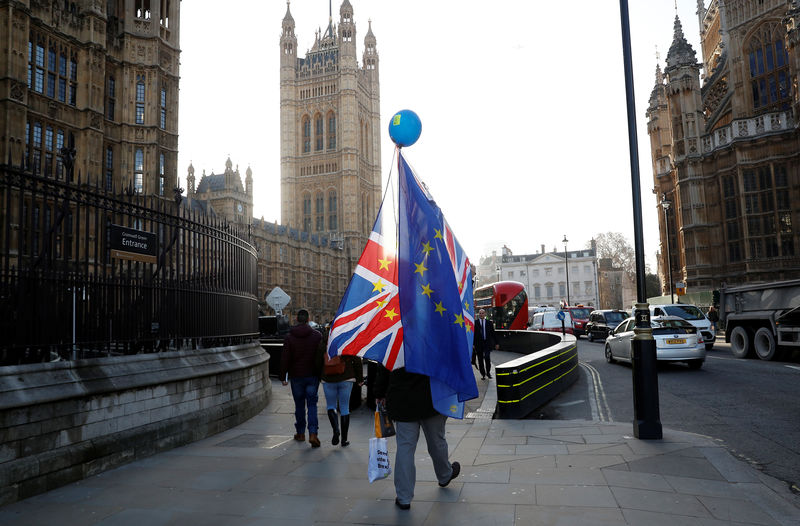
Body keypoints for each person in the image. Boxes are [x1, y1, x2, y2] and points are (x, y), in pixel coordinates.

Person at [374, 366, 460, 510]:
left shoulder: (395, 343)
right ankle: (445, 475)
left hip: (403, 400)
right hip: (432, 398)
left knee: (405, 448)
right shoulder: (433, 342)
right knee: (437, 440)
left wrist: (379, 392)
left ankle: (404, 497)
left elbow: (384, 366)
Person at [280, 309, 323, 448]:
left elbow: (285, 358)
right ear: (308, 319)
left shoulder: (289, 337)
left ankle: (300, 433)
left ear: (297, 319)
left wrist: (283, 376)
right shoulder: (317, 336)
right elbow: (321, 356)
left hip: (297, 376)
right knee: (312, 405)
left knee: (299, 405)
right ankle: (313, 433)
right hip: (312, 376)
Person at [321, 353, 363, 447]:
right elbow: (357, 360)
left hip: (328, 378)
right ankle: (344, 440)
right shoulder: (347, 339)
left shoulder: (324, 342)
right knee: (345, 407)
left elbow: (317, 360)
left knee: (331, 406)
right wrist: (360, 378)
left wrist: (320, 374)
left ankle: (336, 430)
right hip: (346, 377)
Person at [473, 309, 499, 379]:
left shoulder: (489, 323)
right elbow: (473, 335)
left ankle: (488, 372)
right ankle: (483, 374)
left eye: (482, 313)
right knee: (480, 360)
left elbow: (493, 334)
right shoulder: (475, 323)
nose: (481, 314)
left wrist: (497, 343)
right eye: (480, 313)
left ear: (485, 314)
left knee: (487, 358)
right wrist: (473, 344)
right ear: (479, 314)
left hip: (487, 344)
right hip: (479, 344)